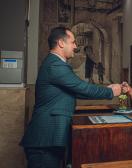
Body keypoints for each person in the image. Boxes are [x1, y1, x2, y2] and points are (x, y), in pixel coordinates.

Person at [20, 27, 121, 168]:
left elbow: (77, 90)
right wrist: (110, 92)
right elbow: (81, 87)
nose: (75, 46)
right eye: (73, 42)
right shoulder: (55, 65)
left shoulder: (55, 63)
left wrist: (107, 89)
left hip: (49, 139)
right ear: (61, 43)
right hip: (45, 139)